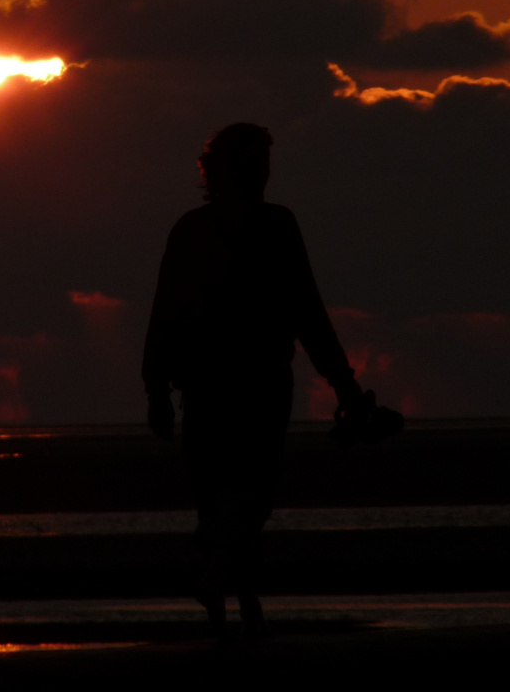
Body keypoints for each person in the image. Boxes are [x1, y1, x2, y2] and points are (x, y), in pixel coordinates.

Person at [142, 123, 368, 635]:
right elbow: (306, 309)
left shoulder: (196, 229)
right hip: (251, 380)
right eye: (256, 165)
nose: (263, 175)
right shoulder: (270, 226)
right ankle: (225, 585)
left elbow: (164, 314)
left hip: (209, 382)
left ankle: (238, 602)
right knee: (248, 491)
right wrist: (344, 384)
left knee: (223, 493)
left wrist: (156, 388)